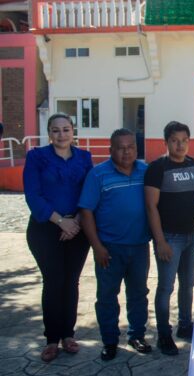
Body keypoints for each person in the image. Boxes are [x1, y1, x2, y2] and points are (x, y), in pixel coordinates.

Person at [23, 113, 92, 362]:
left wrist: (74, 221)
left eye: (65, 129)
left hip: (77, 227)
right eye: (55, 130)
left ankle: (68, 335)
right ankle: (52, 338)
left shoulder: (84, 157)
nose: (61, 135)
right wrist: (60, 221)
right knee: (53, 281)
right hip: (45, 228)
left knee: (71, 282)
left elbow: (89, 191)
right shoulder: (36, 157)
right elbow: (33, 194)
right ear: (49, 133)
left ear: (73, 131)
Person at [79, 129, 152, 361]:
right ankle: (110, 340)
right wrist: (97, 247)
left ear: (136, 149)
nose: (126, 151)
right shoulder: (98, 174)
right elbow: (86, 212)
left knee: (139, 294)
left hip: (140, 246)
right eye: (120, 147)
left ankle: (137, 335)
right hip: (109, 249)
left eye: (131, 146)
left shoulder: (145, 171)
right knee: (108, 296)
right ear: (111, 150)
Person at [144, 121, 194, 356]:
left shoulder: (193, 164)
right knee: (166, 287)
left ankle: (185, 326)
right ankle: (164, 335)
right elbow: (151, 207)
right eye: (175, 140)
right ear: (166, 142)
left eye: (184, 140)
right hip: (169, 238)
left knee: (188, 285)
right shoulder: (157, 168)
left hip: (190, 236)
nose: (180, 145)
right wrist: (160, 241)